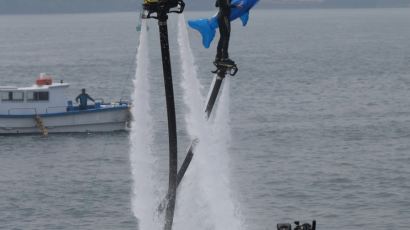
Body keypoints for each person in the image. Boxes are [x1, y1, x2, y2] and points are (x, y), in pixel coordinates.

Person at [214, 0, 242, 67]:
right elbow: (226, 5)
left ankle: (218, 57)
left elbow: (217, 4)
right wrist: (235, 6)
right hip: (224, 17)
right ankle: (225, 58)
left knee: (222, 37)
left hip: (220, 17)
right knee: (226, 36)